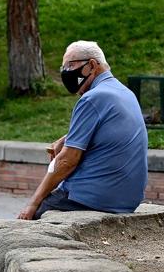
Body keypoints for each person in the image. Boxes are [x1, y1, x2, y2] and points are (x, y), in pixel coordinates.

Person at [18, 40, 148, 220]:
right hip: (126, 199)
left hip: (92, 197)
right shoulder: (123, 92)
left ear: (92, 65)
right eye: (63, 68)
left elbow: (67, 161)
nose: (66, 73)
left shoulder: (92, 98)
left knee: (32, 219)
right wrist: (68, 138)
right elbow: (108, 129)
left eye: (70, 66)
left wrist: (32, 203)